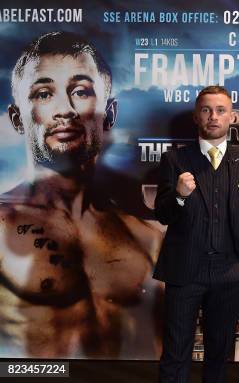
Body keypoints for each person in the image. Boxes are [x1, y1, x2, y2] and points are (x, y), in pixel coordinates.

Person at [0, 31, 163, 358]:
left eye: (80, 91)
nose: (65, 109)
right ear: (18, 119)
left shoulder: (148, 237)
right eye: (44, 93)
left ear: (110, 114)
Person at [154, 85, 239, 383]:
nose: (213, 116)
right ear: (196, 116)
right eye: (206, 110)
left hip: (229, 273)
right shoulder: (174, 161)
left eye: (220, 110)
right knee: (176, 353)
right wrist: (178, 195)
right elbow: (162, 214)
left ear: (232, 117)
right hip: (184, 269)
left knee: (218, 354)